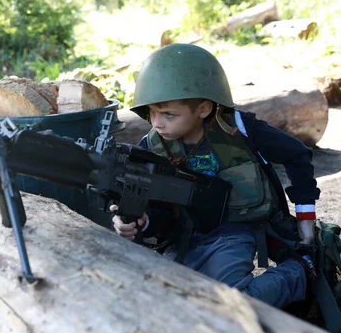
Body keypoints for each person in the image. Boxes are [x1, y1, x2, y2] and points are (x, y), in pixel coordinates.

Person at [111, 43, 319, 309]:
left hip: (233, 232)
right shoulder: (151, 147)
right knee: (159, 299)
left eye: (168, 114)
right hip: (184, 238)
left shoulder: (240, 128)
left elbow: (297, 155)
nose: (157, 123)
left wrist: (305, 220)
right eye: (151, 112)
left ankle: (300, 271)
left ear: (203, 109)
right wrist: (140, 222)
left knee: (233, 305)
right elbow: (158, 214)